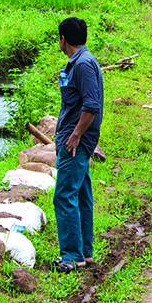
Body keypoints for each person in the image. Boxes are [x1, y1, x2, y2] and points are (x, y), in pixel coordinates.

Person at [54, 17, 103, 272]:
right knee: (81, 194)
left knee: (64, 195)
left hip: (76, 142)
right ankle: (84, 253)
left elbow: (91, 105)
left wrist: (75, 135)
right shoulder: (81, 62)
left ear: (63, 39)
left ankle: (71, 256)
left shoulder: (82, 65)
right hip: (79, 140)